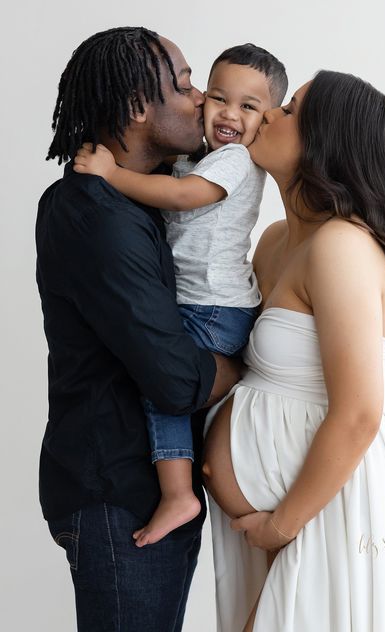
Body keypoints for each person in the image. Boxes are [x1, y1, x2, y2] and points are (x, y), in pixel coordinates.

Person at [202, 71, 385, 631]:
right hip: (288, 514)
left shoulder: (342, 245)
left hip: (332, 508)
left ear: (325, 141)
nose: (267, 113)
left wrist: (281, 524)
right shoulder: (274, 241)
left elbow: (360, 411)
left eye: (288, 109)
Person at [36, 27, 241, 632]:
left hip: (141, 493)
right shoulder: (93, 213)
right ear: (135, 108)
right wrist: (246, 364)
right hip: (117, 497)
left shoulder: (148, 201)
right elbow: (177, 381)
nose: (201, 96)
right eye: (182, 85)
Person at [73, 43, 288, 547]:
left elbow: (181, 197)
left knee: (163, 382)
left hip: (214, 307)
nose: (228, 114)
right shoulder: (200, 156)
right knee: (176, 383)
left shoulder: (234, 161)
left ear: (267, 120)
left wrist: (111, 174)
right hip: (205, 302)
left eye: (249, 107)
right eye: (216, 97)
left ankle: (178, 493)